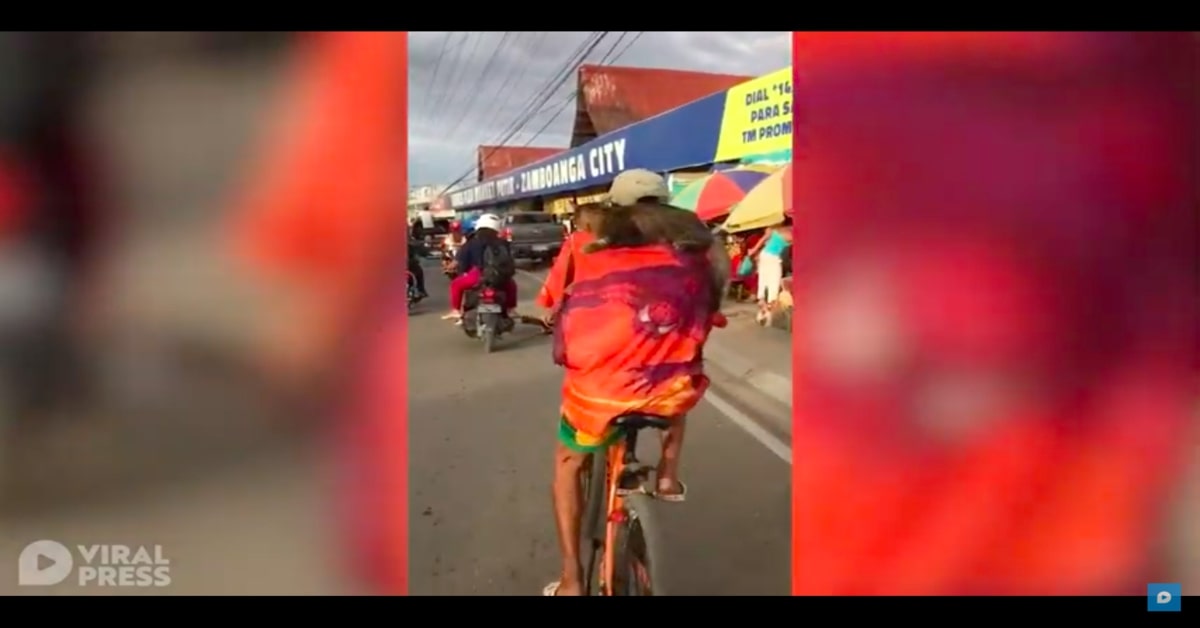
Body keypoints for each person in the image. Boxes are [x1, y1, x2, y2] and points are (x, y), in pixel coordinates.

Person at [535, 169, 725, 596]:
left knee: (569, 464)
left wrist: (554, 308)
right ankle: (667, 477)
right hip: (667, 389)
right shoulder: (695, 252)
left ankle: (570, 578)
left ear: (614, 206)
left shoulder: (583, 243)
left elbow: (551, 296)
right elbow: (711, 308)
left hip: (597, 393)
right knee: (680, 379)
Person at [442, 213, 518, 321]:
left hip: (478, 274)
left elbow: (458, 261)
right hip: (499, 276)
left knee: (456, 284)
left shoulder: (472, 242)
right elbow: (509, 260)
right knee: (512, 286)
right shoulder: (502, 243)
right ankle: (511, 310)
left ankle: (456, 310)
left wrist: (449, 268)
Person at [746, 222, 791, 323]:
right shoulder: (790, 232)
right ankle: (768, 310)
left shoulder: (772, 229)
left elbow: (762, 240)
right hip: (773, 258)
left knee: (763, 281)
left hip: (764, 255)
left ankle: (762, 305)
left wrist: (753, 250)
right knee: (773, 283)